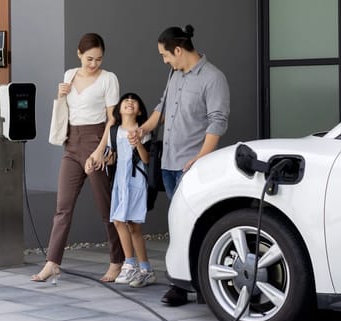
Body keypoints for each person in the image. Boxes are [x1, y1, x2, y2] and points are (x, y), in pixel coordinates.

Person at [131, 25, 230, 304]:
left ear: (178, 49)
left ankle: (196, 286)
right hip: (169, 163)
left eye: (165, 54)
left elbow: (218, 121)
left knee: (197, 224)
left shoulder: (213, 78)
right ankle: (182, 282)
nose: (164, 60)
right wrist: (143, 129)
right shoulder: (175, 75)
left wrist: (200, 159)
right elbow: (162, 108)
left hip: (193, 166)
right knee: (178, 225)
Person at [31, 33, 124, 284]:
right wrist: (61, 94)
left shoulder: (108, 79)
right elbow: (66, 109)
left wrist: (100, 151)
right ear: (79, 54)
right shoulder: (69, 75)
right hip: (72, 144)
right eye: (89, 59)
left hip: (96, 141)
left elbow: (112, 120)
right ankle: (52, 262)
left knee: (106, 208)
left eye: (99, 59)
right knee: (63, 207)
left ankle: (117, 261)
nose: (94, 64)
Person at [100, 93, 157, 288]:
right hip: (119, 181)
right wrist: (106, 160)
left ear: (139, 110)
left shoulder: (143, 131)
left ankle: (140, 267)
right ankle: (135, 265)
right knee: (118, 221)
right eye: (126, 100)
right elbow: (111, 156)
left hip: (136, 181)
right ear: (120, 109)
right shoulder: (114, 131)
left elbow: (146, 159)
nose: (130, 102)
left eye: (134, 101)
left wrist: (138, 142)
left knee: (133, 225)